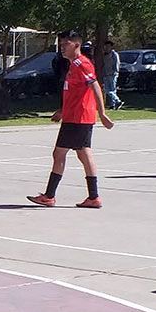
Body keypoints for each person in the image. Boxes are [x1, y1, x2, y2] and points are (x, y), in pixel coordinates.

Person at [27, 30, 114, 208]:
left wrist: (103, 113)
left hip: (78, 117)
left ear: (76, 45)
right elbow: (75, 93)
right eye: (61, 45)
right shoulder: (73, 65)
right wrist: (61, 110)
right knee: (83, 153)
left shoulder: (82, 64)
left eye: (65, 44)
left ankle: (50, 196)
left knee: (59, 154)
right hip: (74, 116)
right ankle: (93, 197)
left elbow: (95, 86)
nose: (62, 48)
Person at [99, 40, 123, 110]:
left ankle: (117, 101)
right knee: (108, 90)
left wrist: (115, 71)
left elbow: (117, 64)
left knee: (111, 90)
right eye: (106, 46)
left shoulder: (114, 54)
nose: (107, 48)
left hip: (112, 74)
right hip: (106, 74)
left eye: (108, 46)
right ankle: (113, 104)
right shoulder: (104, 55)